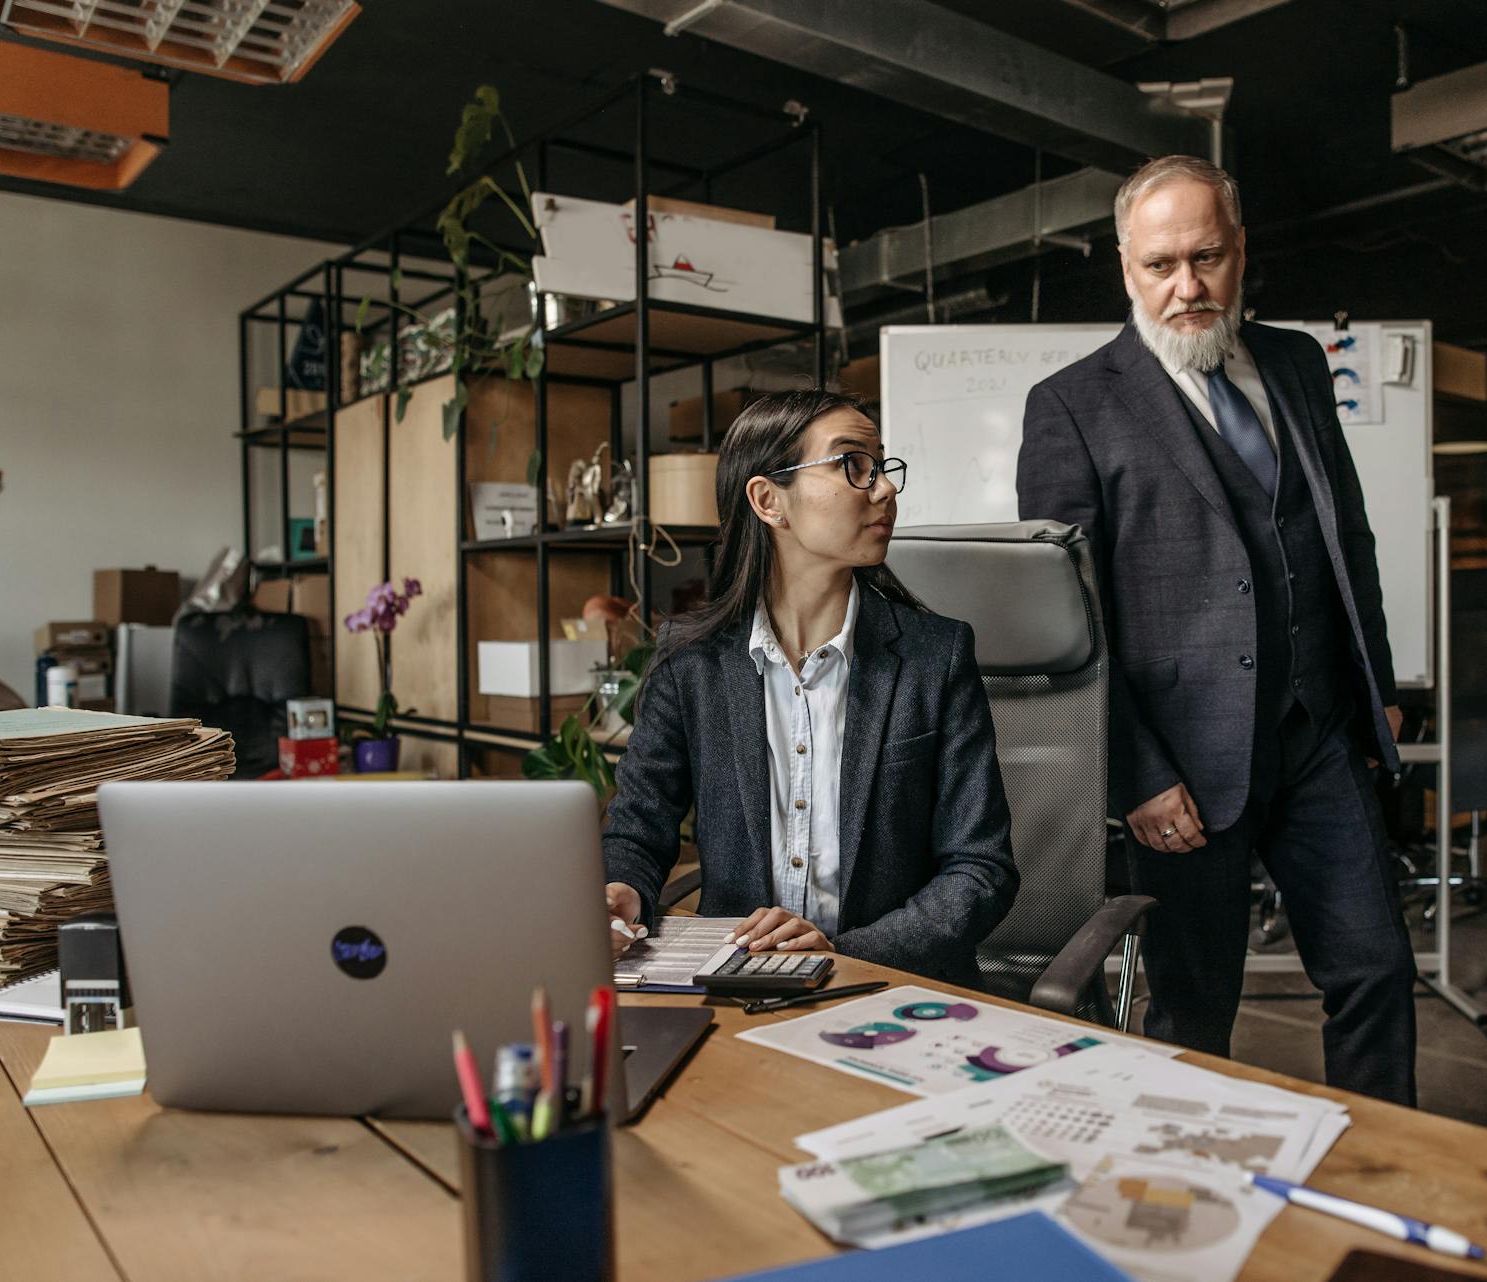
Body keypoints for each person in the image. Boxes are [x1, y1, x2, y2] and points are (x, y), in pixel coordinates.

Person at [1017, 155, 1416, 1105]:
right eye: (1161, 265)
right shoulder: (1071, 405)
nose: (1187, 287)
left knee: (1376, 973)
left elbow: (1344, 535)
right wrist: (1138, 772)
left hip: (1319, 736)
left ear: (1242, 253)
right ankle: (1187, 1203)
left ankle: (1394, 1177)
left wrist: (1380, 690)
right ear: (1125, 267)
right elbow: (1068, 622)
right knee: (1194, 1013)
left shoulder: (1294, 364)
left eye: (1207, 257)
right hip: (1182, 769)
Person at [602, 389, 1019, 985]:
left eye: (882, 465)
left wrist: (846, 952)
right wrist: (622, 891)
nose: (885, 489)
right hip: (736, 986)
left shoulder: (936, 656)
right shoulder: (690, 660)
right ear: (769, 500)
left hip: (885, 986)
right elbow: (639, 826)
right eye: (853, 465)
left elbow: (980, 870)